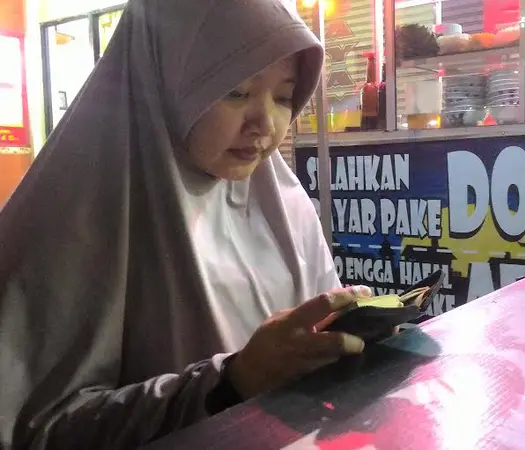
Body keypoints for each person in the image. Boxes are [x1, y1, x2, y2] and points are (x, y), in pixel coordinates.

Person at [0, 0, 369, 448]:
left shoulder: (284, 204)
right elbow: (32, 428)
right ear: (161, 81)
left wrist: (354, 340)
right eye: (235, 91)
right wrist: (228, 383)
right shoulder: (68, 222)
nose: (265, 124)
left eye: (284, 96)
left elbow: (315, 338)